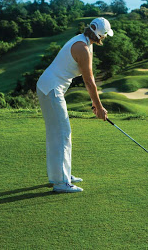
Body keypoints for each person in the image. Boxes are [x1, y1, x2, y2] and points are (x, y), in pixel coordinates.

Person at [36, 17, 113, 193]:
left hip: (50, 87)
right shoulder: (83, 48)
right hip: (51, 89)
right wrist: (99, 107)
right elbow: (89, 81)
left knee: (59, 133)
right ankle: (61, 182)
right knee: (62, 133)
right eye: (105, 35)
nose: (106, 38)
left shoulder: (85, 42)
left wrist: (95, 103)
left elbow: (88, 77)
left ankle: (63, 175)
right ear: (99, 34)